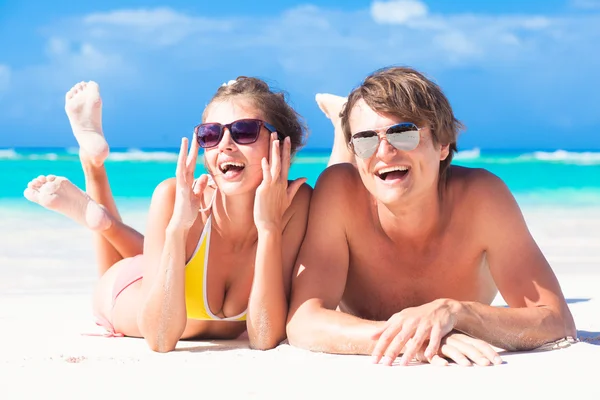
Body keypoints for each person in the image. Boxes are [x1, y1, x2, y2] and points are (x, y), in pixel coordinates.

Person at [287, 66, 577, 367]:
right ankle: (343, 124)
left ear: (442, 144)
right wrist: (416, 338)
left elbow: (558, 322)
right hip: (345, 184)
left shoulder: (482, 200)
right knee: (336, 175)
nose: (384, 151)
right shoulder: (339, 193)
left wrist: (458, 312)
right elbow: (302, 323)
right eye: (365, 139)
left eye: (403, 133)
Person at [24, 77, 312, 352]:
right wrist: (177, 229)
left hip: (164, 266)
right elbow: (160, 339)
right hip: (129, 290)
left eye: (244, 130)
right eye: (210, 134)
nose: (225, 144)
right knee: (131, 266)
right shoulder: (177, 197)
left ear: (281, 143)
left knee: (153, 256)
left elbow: (264, 338)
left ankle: (104, 221)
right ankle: (93, 166)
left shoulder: (294, 204)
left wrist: (269, 227)